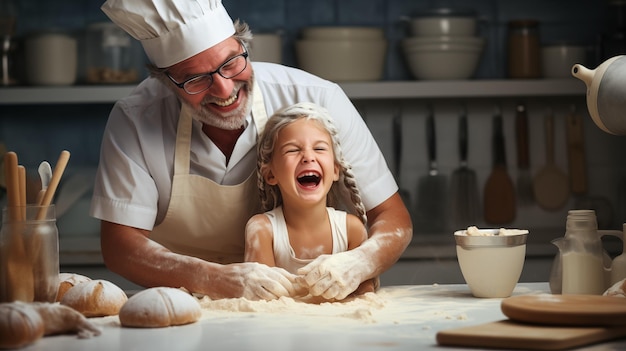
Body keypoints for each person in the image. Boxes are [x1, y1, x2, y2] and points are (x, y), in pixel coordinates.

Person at [91, 0, 412, 301]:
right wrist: (214, 279)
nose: (224, 89)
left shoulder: (319, 97)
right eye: (195, 79)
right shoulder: (136, 118)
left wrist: (357, 263)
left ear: (244, 45)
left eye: (230, 63)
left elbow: (392, 218)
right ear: (166, 82)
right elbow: (121, 246)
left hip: (293, 306)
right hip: (183, 303)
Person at [245, 102, 377, 297]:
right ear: (270, 174)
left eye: (320, 149)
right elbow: (263, 301)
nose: (308, 157)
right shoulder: (262, 230)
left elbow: (365, 298)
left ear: (334, 170)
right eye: (292, 150)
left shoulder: (351, 230)